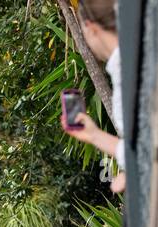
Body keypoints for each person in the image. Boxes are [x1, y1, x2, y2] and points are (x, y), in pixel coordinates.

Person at [62, 0, 126, 194]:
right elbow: (143, 147)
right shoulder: (128, 64)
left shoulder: (128, 71)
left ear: (90, 28)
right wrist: (94, 135)